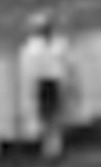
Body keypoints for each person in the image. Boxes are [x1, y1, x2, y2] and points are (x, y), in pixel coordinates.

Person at [18, 13, 76, 159]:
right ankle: (50, 147)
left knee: (56, 113)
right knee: (46, 115)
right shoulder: (31, 48)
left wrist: (69, 79)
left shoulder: (59, 43)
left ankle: (54, 147)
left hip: (56, 81)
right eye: (43, 28)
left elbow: (68, 63)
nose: (45, 30)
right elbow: (28, 69)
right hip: (42, 83)